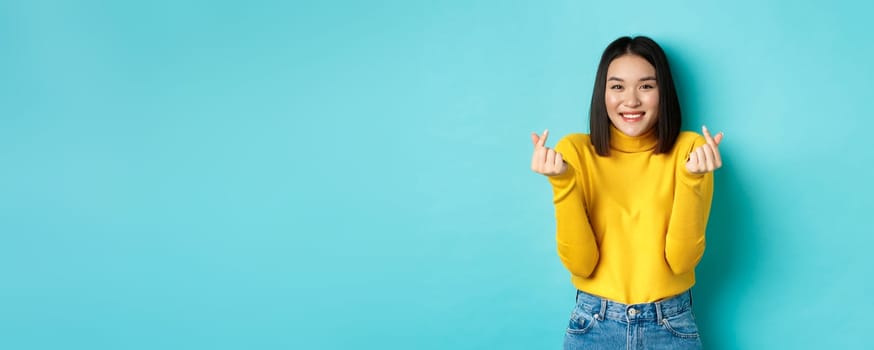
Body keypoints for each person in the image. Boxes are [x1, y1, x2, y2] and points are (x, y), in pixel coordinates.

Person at [530, 36, 723, 349]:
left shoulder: (689, 152)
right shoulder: (575, 152)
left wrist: (692, 181)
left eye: (646, 86)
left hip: (670, 324)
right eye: (617, 86)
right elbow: (582, 265)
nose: (631, 100)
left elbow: (682, 261)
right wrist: (563, 182)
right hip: (594, 323)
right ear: (602, 93)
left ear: (664, 93)